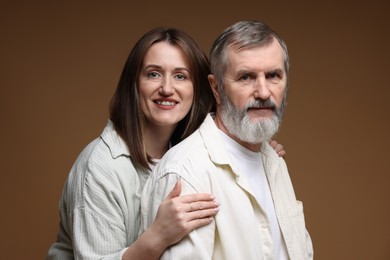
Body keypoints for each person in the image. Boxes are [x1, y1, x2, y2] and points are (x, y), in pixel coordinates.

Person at [47, 27, 286, 259]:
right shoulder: (100, 166)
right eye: (153, 74)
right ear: (134, 84)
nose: (167, 88)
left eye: (180, 76)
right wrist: (157, 237)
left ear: (200, 88)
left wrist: (256, 151)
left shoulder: (189, 153)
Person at [141, 20, 313, 260]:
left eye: (273, 75)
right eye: (246, 77)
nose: (263, 92)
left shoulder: (274, 161)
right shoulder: (187, 173)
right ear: (216, 88)